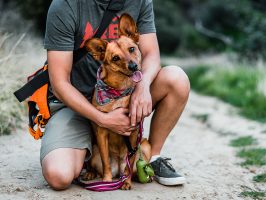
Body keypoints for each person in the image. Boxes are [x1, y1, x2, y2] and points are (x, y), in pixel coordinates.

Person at [41, 0, 190, 190]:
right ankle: (88, 155)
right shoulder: (65, 6)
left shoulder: (140, 2)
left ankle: (152, 158)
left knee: (176, 78)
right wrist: (102, 119)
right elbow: (60, 83)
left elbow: (152, 54)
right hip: (75, 104)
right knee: (58, 176)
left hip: (128, 90)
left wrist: (142, 86)